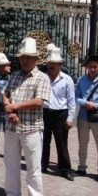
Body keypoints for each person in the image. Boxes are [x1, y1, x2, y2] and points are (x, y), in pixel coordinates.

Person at [0, 38, 50, 196]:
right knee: (11, 162)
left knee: (33, 165)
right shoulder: (14, 76)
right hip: (12, 128)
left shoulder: (41, 78)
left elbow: (39, 101)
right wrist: (8, 109)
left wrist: (16, 106)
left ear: (36, 59)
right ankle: (12, 193)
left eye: (28, 57)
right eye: (22, 57)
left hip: (31, 129)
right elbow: (5, 94)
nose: (25, 60)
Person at [74, 55, 98, 182]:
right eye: (90, 66)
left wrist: (95, 105)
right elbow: (76, 97)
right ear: (87, 67)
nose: (92, 69)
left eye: (95, 66)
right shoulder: (81, 80)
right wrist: (85, 103)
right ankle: (81, 167)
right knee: (82, 143)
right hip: (83, 116)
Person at [41, 47, 76, 181]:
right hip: (45, 112)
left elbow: (71, 100)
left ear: (60, 64)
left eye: (54, 63)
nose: (51, 66)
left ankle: (65, 169)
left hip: (61, 114)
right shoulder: (43, 78)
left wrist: (70, 118)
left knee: (61, 142)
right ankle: (43, 164)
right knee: (44, 141)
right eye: (49, 63)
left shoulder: (67, 80)